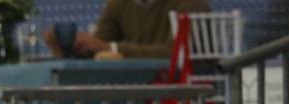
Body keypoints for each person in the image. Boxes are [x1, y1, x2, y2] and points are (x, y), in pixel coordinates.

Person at [46, 0, 210, 59]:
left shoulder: (190, 3)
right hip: (143, 83)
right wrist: (73, 46)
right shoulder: (118, 4)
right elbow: (99, 44)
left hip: (190, 82)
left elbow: (175, 52)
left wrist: (112, 48)